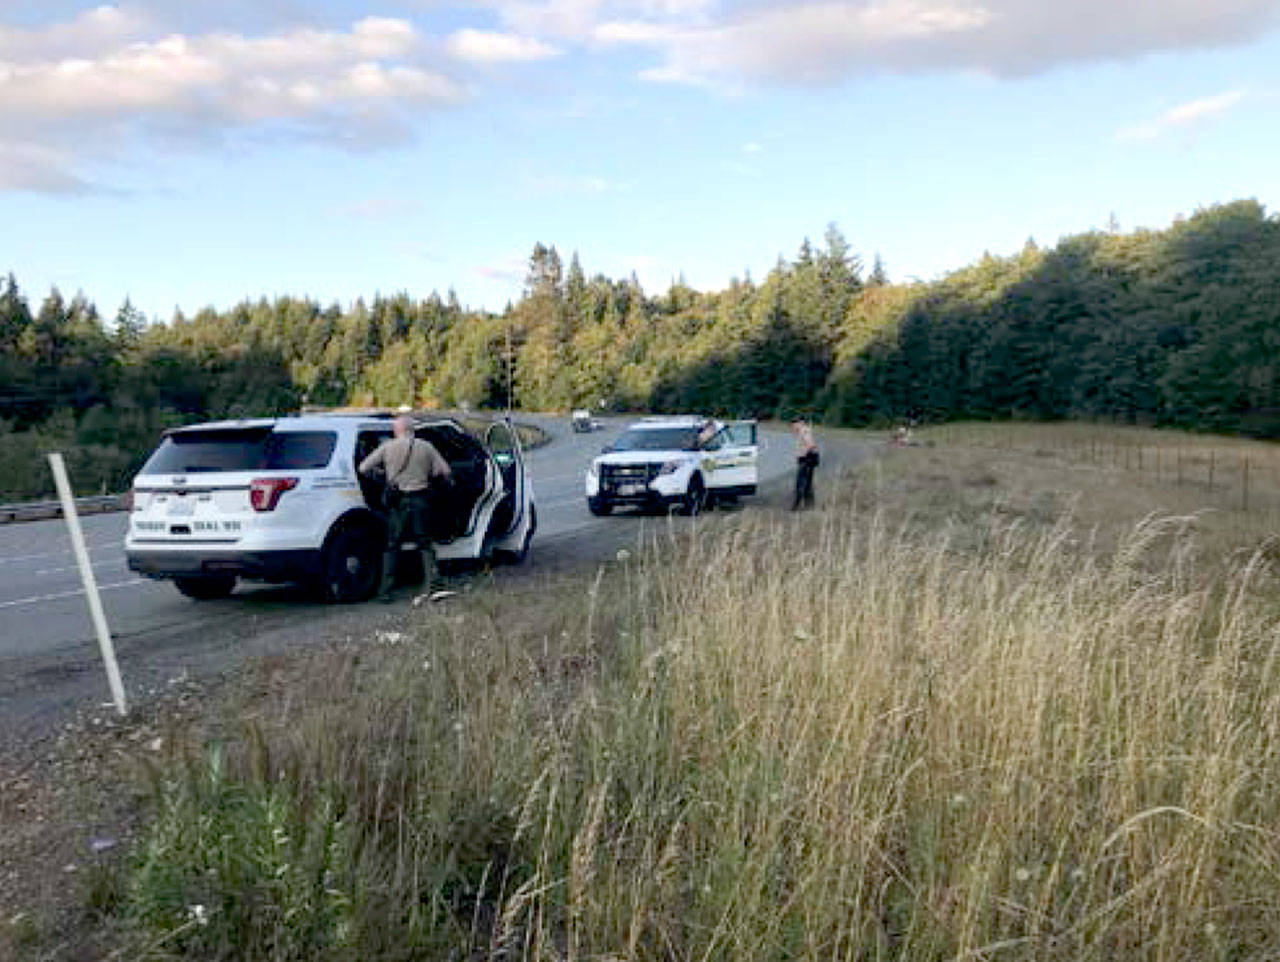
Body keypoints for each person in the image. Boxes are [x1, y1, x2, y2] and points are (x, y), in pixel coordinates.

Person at [358, 415, 452, 601]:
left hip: (398, 501)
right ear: (412, 429)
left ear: (397, 430)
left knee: (392, 545)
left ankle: (385, 591)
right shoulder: (426, 446)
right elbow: (445, 471)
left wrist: (382, 475)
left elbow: (363, 468)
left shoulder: (387, 447)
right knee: (424, 543)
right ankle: (433, 585)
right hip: (421, 499)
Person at [791, 417, 819, 511]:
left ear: (800, 423)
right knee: (807, 483)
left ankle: (797, 505)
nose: (793, 427)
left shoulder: (804, 431)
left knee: (801, 483)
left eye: (794, 425)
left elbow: (810, 445)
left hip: (807, 460)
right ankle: (809, 505)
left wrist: (803, 455)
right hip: (808, 459)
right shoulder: (804, 431)